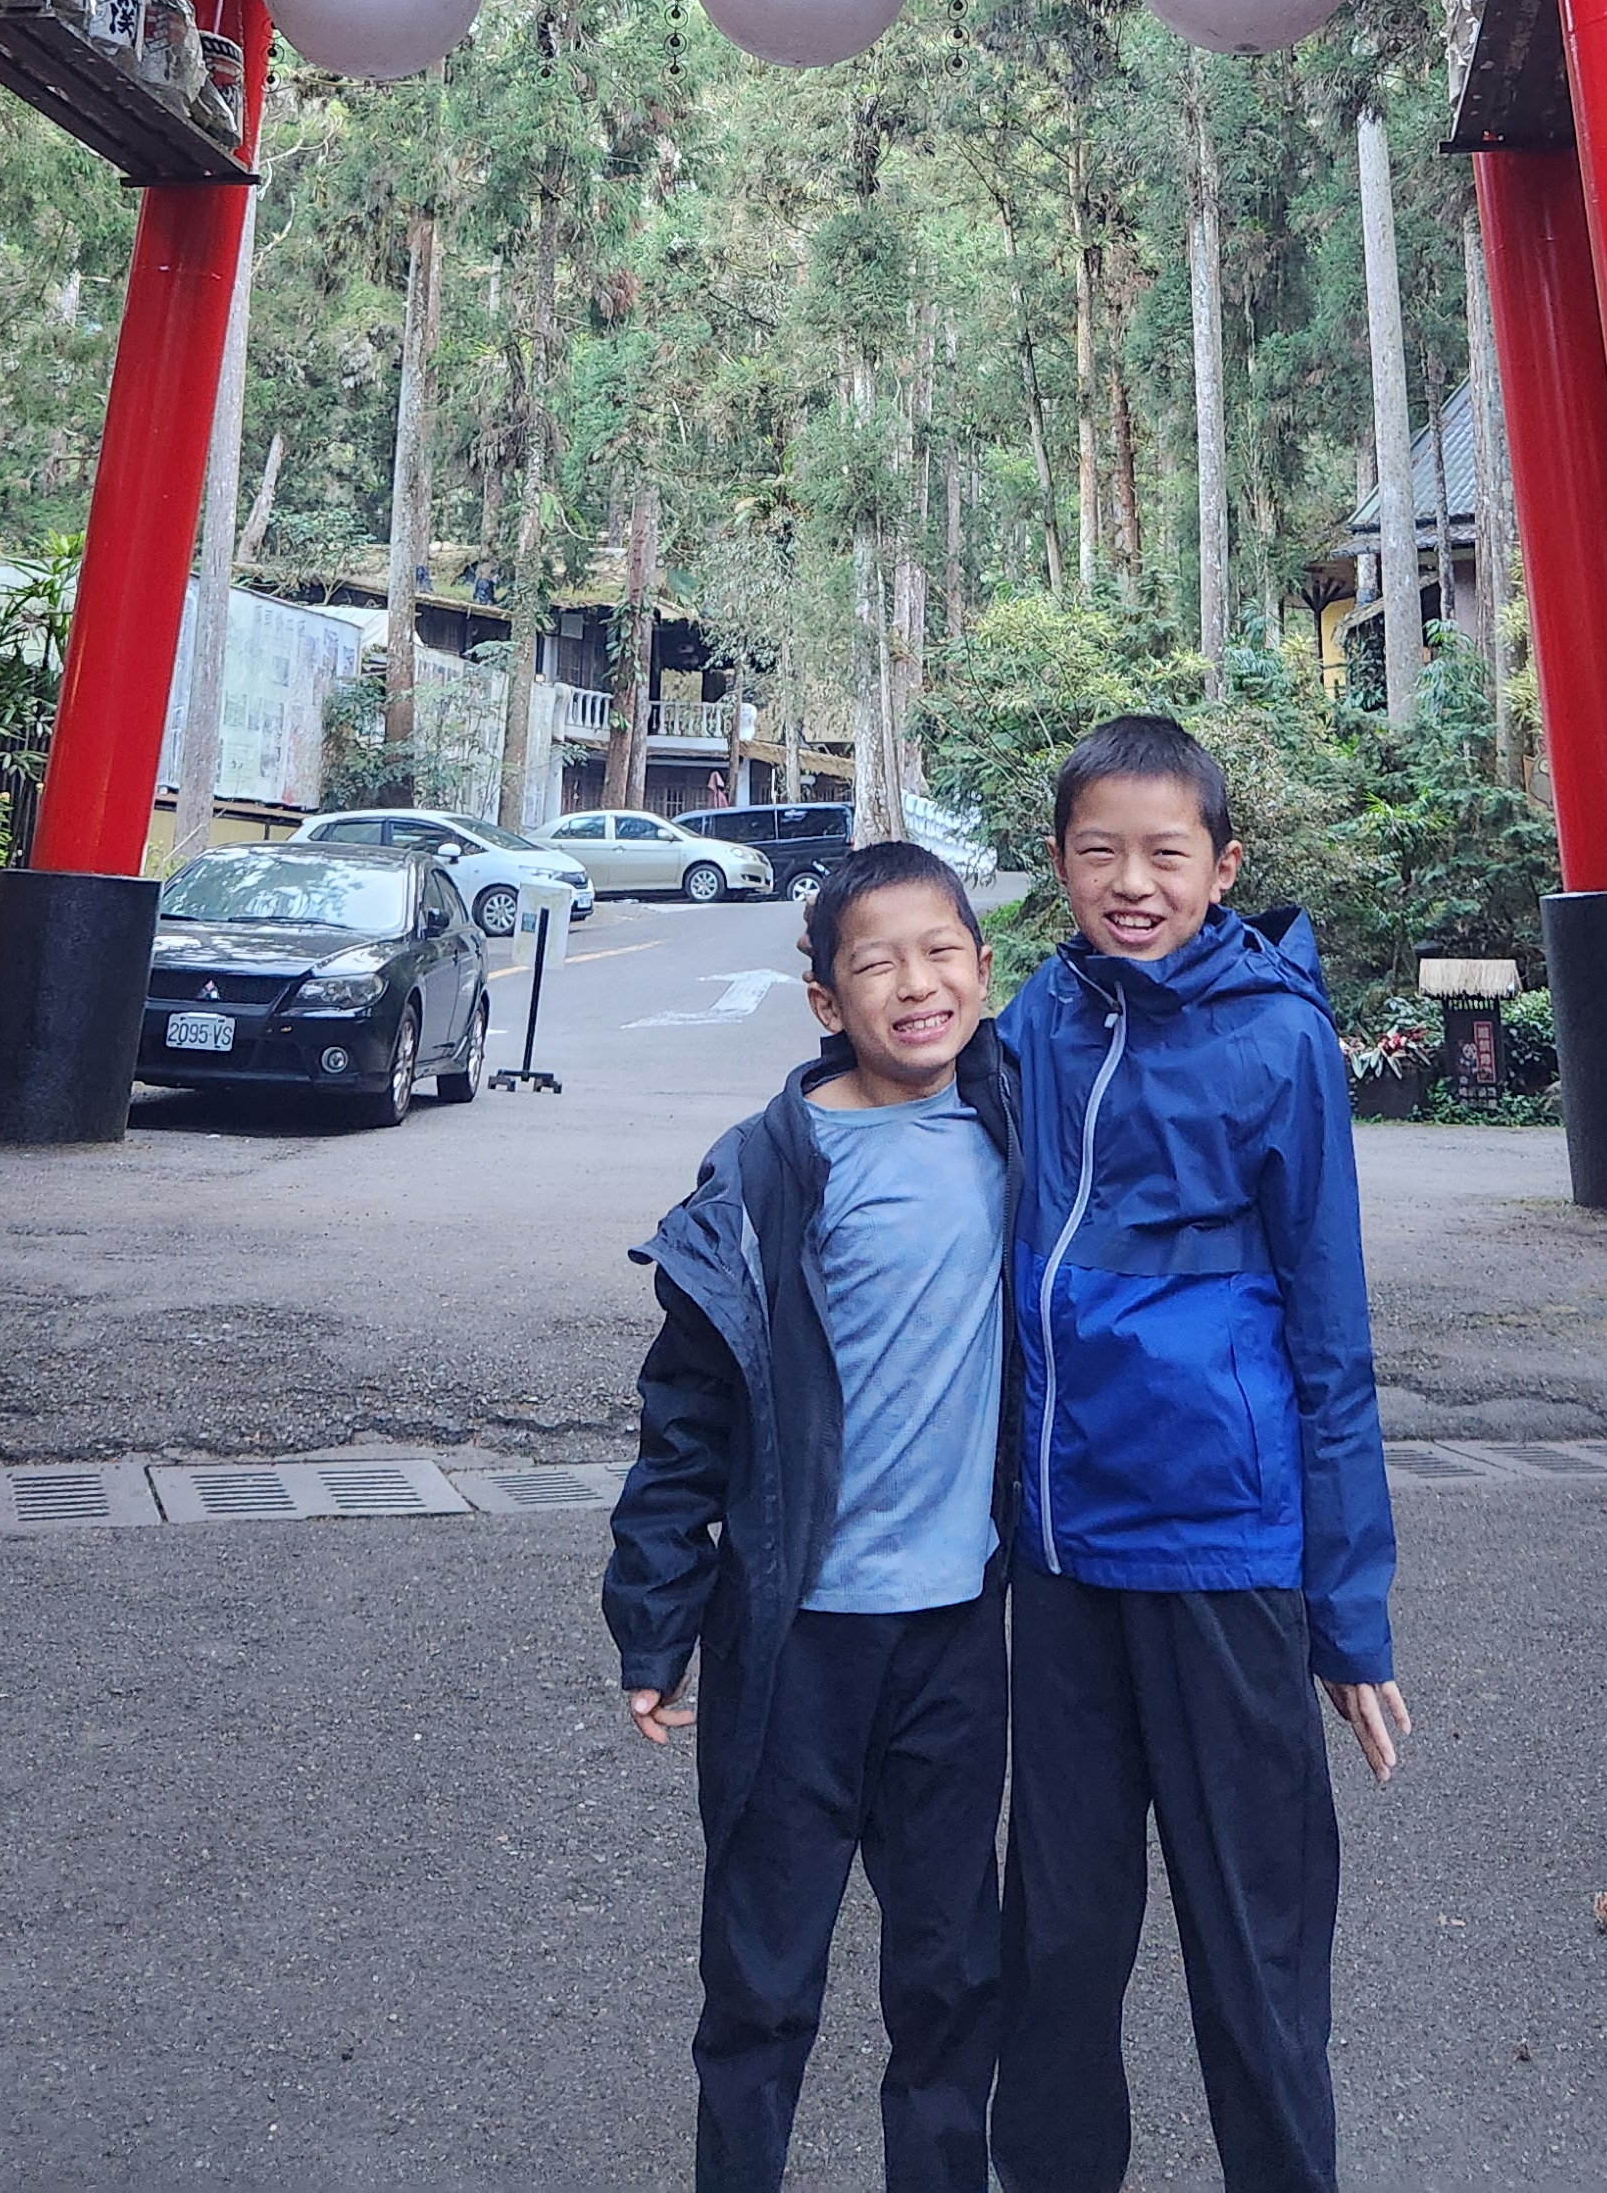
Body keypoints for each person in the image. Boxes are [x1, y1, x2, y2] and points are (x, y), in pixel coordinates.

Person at [992, 713, 1405, 2193]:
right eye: (1099, 852)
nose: (1133, 883)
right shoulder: (1036, 1020)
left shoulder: (1276, 1041)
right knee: (1055, 1944)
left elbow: (1331, 1341)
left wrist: (1348, 1618)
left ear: (1223, 866)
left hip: (1221, 1558)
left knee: (1255, 1946)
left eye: (1166, 854)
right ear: (1060, 863)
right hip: (1060, 1556)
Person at [604, 842, 1018, 2193]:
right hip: (794, 1643)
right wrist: (656, 1621)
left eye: (942, 952)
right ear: (828, 1000)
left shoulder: (1018, 1129)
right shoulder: (767, 1172)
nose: (917, 983)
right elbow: (687, 1416)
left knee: (952, 1973)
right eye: (877, 963)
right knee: (762, 1976)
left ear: (983, 969)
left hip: (956, 1632)